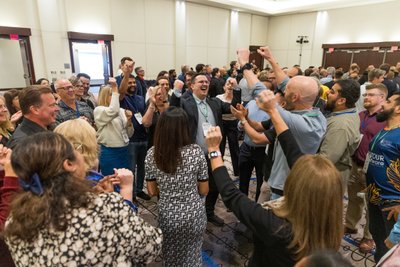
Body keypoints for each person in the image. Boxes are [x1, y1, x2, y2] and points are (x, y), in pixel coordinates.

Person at [3, 132, 162, 266]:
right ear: (69, 164)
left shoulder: (14, 222)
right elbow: (150, 248)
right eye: (76, 149)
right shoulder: (105, 207)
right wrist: (125, 192)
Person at [205, 126, 343, 266]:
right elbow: (293, 152)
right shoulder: (330, 226)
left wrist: (214, 150)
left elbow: (231, 195)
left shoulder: (277, 227)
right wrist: (274, 113)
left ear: (293, 185)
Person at [170, 73, 241, 226]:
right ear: (192, 86)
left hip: (213, 153)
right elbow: (173, 111)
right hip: (193, 154)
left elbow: (233, 107)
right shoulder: (185, 102)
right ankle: (190, 213)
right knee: (191, 185)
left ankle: (209, 213)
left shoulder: (215, 102)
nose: (205, 84)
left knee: (215, 184)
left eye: (207, 82)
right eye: (201, 81)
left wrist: (236, 88)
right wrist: (176, 92)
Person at [145, 106, 208, 266]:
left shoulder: (152, 154)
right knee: (193, 256)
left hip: (168, 215)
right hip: (194, 214)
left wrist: (168, 188)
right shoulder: (196, 152)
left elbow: (152, 191)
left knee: (171, 257)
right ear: (184, 128)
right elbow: (204, 189)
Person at [94, 78, 134, 176]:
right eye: (112, 94)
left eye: (116, 94)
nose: (116, 96)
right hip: (110, 152)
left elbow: (129, 134)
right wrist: (115, 87)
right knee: (112, 181)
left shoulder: (120, 110)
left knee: (125, 179)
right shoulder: (99, 110)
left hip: (124, 150)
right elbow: (113, 111)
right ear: (105, 96)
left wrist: (129, 121)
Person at [215, 78, 240, 176]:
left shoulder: (237, 98)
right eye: (227, 84)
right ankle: (219, 169)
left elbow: (235, 110)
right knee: (220, 147)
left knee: (234, 147)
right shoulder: (219, 97)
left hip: (233, 123)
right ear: (224, 87)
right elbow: (222, 110)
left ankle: (237, 171)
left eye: (232, 85)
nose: (230, 86)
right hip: (221, 123)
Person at [142, 84, 169, 149]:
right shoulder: (151, 109)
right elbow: (146, 123)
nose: (161, 96)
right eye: (159, 94)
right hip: (154, 145)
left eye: (163, 94)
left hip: (169, 144)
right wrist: (152, 103)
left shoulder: (169, 107)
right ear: (154, 96)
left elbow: (169, 119)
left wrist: (165, 101)